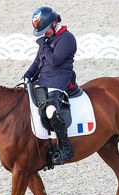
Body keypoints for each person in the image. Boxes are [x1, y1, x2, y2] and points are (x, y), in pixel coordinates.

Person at [21, 6, 77, 162]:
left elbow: (54, 61)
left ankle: (65, 148)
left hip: (58, 82)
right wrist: (26, 76)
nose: (44, 34)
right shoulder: (47, 40)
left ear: (54, 23)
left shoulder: (67, 38)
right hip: (43, 81)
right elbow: (37, 62)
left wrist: (42, 44)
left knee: (51, 110)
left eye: (46, 30)